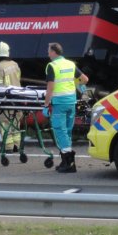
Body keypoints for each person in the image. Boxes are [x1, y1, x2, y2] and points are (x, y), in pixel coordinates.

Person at [43, 42, 88, 173]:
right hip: (71, 102)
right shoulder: (70, 64)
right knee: (67, 132)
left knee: (60, 131)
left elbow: (50, 88)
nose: (47, 53)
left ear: (53, 52)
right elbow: (84, 79)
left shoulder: (52, 66)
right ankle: (66, 162)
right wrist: (76, 85)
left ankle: (68, 163)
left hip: (59, 104)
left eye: (48, 50)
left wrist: (46, 104)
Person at [0, 41, 23, 153]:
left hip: (5, 100)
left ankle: (8, 146)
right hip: (17, 97)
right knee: (15, 121)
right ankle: (17, 145)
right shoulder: (15, 64)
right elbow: (18, 79)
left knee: (5, 123)